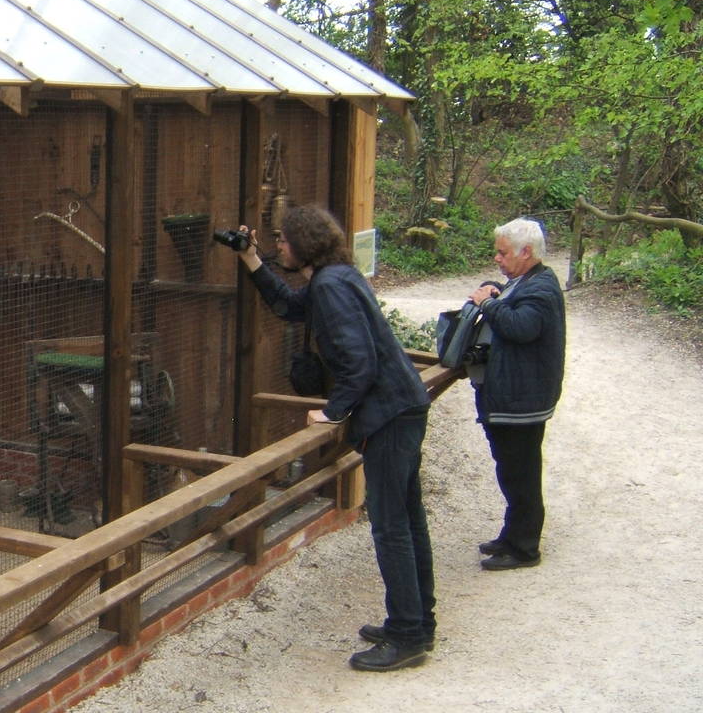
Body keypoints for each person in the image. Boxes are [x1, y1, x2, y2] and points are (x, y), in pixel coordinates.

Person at [235, 206, 434, 672]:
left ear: (304, 243)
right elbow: (286, 305)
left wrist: (331, 411)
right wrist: (251, 258)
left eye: (282, 240)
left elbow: (360, 361)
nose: (279, 244)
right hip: (402, 405)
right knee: (408, 520)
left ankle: (407, 635)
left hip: (389, 413)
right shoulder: (335, 278)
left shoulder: (330, 286)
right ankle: (417, 622)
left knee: (391, 526)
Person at [466, 218, 566, 570]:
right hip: (513, 397)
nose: (497, 257)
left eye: (503, 252)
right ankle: (512, 536)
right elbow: (512, 305)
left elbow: (522, 327)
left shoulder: (541, 288)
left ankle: (525, 548)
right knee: (511, 471)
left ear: (526, 253)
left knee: (521, 474)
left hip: (522, 401)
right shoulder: (527, 281)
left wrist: (488, 305)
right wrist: (495, 291)